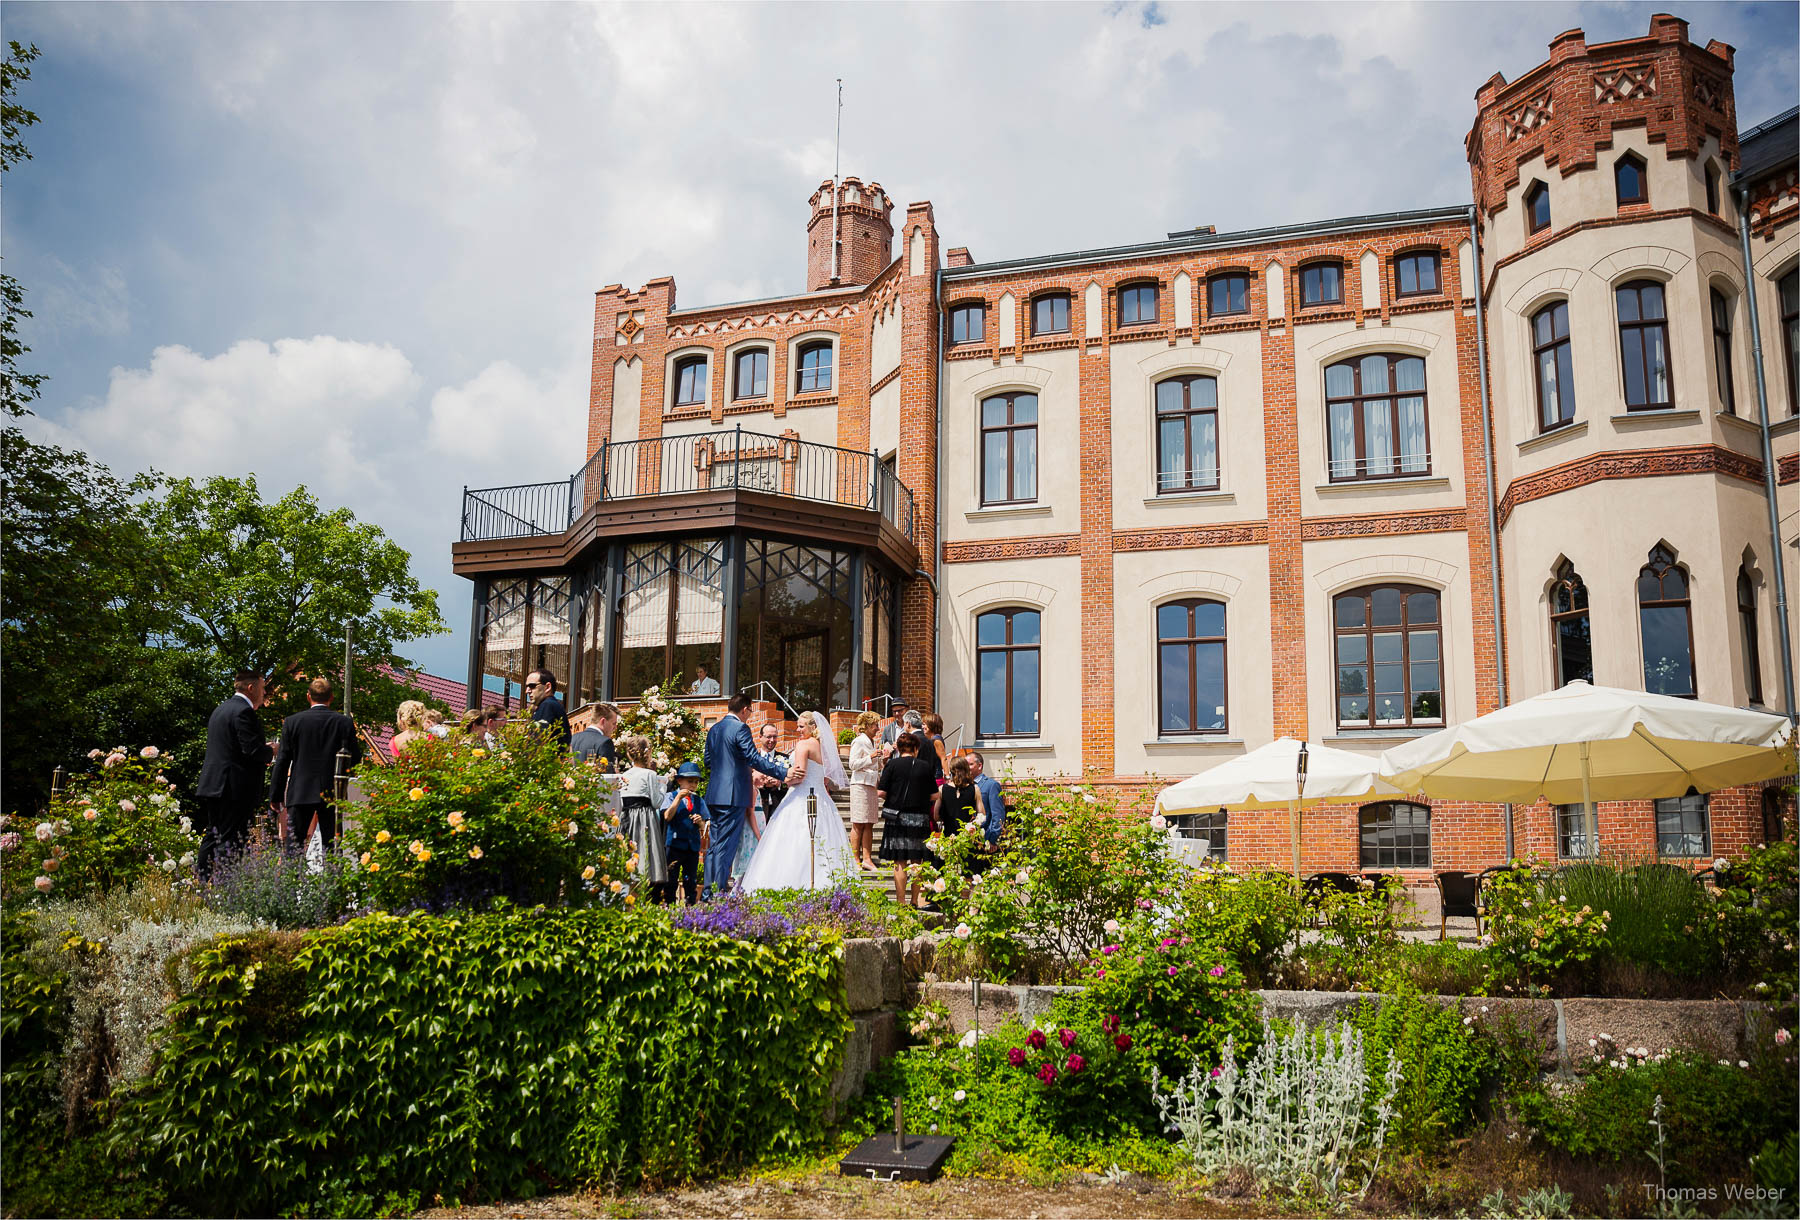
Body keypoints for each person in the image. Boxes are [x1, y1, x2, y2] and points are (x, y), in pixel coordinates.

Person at [740, 711, 855, 892]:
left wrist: (780, 780)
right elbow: (824, 779)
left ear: (812, 727)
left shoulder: (803, 745)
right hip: (821, 799)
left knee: (792, 841)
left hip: (801, 797)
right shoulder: (822, 747)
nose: (798, 729)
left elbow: (798, 777)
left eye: (801, 726)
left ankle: (789, 886)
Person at [700, 691, 789, 897]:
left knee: (715, 846)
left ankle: (708, 892)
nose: (749, 714)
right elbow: (752, 758)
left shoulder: (714, 729)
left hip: (714, 794)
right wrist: (783, 773)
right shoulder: (741, 728)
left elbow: (707, 761)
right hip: (733, 795)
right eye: (750, 710)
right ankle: (716, 893)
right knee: (726, 846)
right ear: (744, 709)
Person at [267, 676, 362, 853]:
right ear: (331, 697)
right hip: (331, 791)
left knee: (294, 849)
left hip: (301, 790)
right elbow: (355, 757)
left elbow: (282, 760)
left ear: (308, 696)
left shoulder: (292, 722)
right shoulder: (344, 723)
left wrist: (276, 794)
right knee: (333, 848)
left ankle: (291, 880)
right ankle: (332, 879)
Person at [195, 670, 274, 875]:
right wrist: (271, 750)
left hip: (214, 784)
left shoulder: (221, 710)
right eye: (263, 688)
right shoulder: (243, 712)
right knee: (231, 840)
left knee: (213, 836)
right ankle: (227, 888)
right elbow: (253, 751)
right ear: (251, 688)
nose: (264, 693)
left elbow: (233, 748)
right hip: (234, 789)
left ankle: (202, 882)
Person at [876, 732, 940, 907]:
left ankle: (900, 902)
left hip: (897, 819)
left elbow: (881, 792)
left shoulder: (892, 765)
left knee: (900, 861)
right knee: (917, 861)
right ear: (916, 748)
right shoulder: (925, 766)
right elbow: (934, 795)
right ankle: (914, 900)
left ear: (900, 747)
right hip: (920, 819)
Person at [615, 735, 669, 896]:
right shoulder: (649, 774)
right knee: (645, 858)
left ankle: (629, 898)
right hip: (644, 819)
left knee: (629, 860)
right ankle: (639, 901)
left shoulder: (625, 775)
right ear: (647, 753)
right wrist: (663, 787)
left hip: (626, 819)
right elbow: (657, 802)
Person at [660, 761, 706, 905]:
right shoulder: (670, 796)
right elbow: (667, 816)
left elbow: (705, 826)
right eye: (689, 781)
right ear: (680, 781)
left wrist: (700, 822)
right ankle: (669, 906)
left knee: (690, 880)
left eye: (696, 782)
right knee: (671, 879)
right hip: (674, 844)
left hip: (692, 846)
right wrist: (678, 798)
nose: (693, 785)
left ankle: (690, 907)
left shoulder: (699, 801)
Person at [847, 710, 883, 870]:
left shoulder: (871, 742)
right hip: (860, 785)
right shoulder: (859, 741)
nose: (877, 728)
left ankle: (867, 858)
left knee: (870, 823)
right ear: (867, 725)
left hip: (871, 785)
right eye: (875, 725)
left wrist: (882, 759)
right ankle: (855, 858)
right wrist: (871, 757)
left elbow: (874, 764)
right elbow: (852, 764)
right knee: (858, 822)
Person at [526, 669, 572, 747]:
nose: (527, 691)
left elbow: (537, 742)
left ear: (547, 687)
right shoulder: (552, 705)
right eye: (527, 686)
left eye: (532, 686)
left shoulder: (548, 705)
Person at [938, 755, 979, 839]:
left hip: (948, 838)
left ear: (951, 770)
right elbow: (981, 815)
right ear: (966, 769)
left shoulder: (942, 789)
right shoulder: (975, 789)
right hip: (967, 837)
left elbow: (936, 815)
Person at [971, 751, 1006, 845]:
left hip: (985, 839)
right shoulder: (966, 786)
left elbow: (997, 814)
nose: (966, 767)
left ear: (979, 766)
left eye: (970, 764)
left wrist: (992, 840)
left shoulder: (991, 785)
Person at [571, 702, 620, 770]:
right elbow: (607, 775)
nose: (615, 727)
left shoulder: (573, 738)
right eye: (613, 723)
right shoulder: (605, 742)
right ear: (603, 721)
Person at [921, 711, 949, 784]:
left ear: (931, 725)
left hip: (936, 779)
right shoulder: (931, 739)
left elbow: (944, 758)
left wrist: (947, 776)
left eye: (924, 724)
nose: (922, 727)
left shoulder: (936, 740)